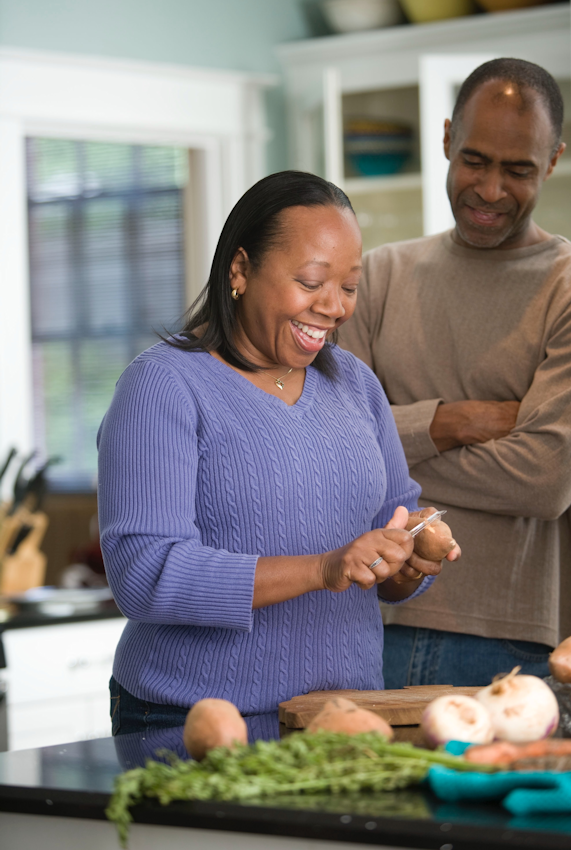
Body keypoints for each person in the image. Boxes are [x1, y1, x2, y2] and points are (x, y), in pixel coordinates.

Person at [98, 171, 460, 735]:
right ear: (240, 270)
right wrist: (322, 567)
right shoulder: (164, 386)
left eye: (349, 286)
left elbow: (389, 548)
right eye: (313, 281)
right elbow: (145, 574)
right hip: (194, 720)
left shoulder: (356, 385)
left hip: (343, 719)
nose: (335, 307)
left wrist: (409, 559)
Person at [338, 58, 571, 689]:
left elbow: (542, 480)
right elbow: (332, 449)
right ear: (448, 137)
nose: (489, 189)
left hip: (517, 640)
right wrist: (455, 421)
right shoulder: (375, 277)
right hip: (366, 617)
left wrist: (389, 440)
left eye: (518, 170)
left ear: (555, 160)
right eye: (476, 160)